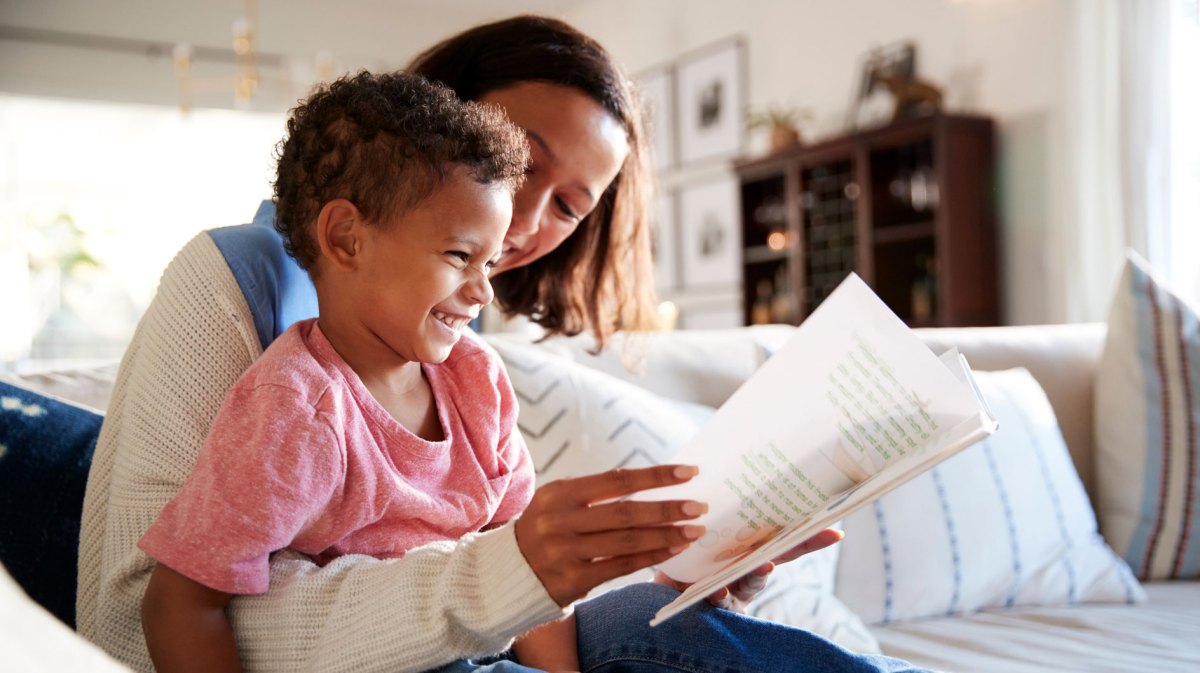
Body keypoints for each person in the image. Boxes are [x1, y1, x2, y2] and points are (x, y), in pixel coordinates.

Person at [78, 14, 928, 673]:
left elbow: (498, 569)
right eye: (519, 160)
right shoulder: (248, 306)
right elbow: (145, 613)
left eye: (568, 206)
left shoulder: (460, 352)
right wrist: (505, 576)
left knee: (679, 627)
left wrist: (707, 562)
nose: (522, 221)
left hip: (485, 641)